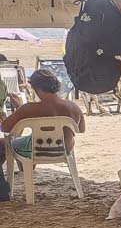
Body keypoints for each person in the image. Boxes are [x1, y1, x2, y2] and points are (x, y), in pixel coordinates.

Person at [0, 69, 85, 202]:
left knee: (14, 142)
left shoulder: (29, 108)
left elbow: (5, 127)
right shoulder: (73, 107)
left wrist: (19, 108)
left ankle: (15, 178)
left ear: (35, 88)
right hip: (64, 149)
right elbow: (81, 129)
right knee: (28, 140)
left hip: (37, 149)